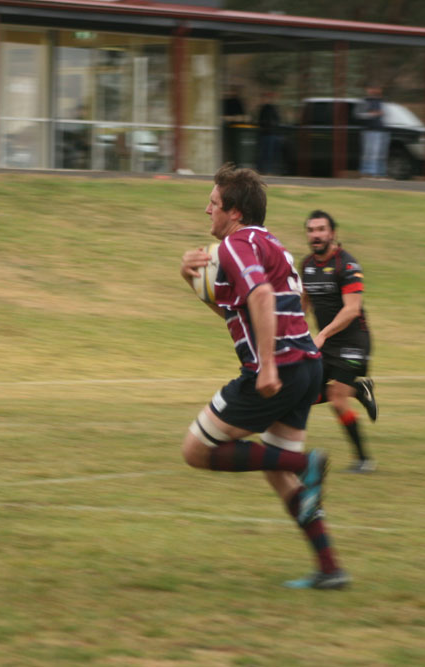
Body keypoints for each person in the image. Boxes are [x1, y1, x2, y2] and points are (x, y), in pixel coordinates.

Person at [179, 164, 349, 590]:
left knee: (196, 450)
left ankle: (307, 463)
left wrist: (268, 366)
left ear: (235, 211)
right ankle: (330, 568)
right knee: (277, 470)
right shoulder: (271, 243)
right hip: (306, 366)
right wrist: (191, 281)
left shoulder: (235, 245)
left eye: (214, 204)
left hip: (279, 369)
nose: (207, 210)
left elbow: (260, 295)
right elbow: (240, 308)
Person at [300, 210, 378, 473]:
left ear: (332, 233)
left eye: (321, 229)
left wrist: (322, 335)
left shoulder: (347, 265)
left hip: (354, 342)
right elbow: (304, 303)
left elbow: (352, 310)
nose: (316, 235)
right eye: (311, 230)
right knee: (303, 394)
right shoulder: (307, 265)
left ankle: (364, 460)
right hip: (327, 345)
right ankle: (359, 389)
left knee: (336, 398)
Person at [355, 85, 389, 178]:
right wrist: (372, 114)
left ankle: (380, 173)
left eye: (377, 88)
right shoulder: (364, 101)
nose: (375, 90)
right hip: (370, 130)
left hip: (383, 131)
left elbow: (387, 115)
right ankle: (368, 173)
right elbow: (358, 115)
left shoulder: (382, 102)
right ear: (368, 90)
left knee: (381, 154)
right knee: (370, 153)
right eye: (372, 88)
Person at [256, 91, 282, 175]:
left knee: (268, 154)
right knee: (265, 153)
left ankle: (267, 170)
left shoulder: (272, 108)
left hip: (270, 134)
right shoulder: (265, 108)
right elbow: (261, 121)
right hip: (266, 134)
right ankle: (263, 170)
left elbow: (277, 120)